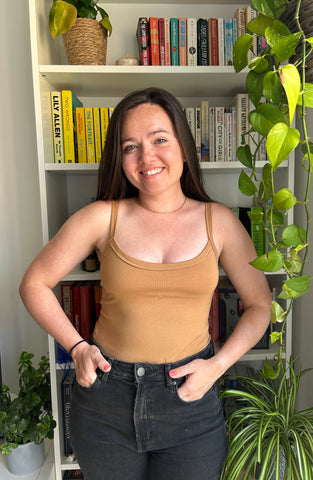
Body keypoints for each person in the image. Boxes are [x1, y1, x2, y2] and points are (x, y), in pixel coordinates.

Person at [19, 87, 272, 480]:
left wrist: (218, 366)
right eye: (130, 146)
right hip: (106, 400)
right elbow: (34, 283)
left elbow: (259, 304)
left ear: (184, 148)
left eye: (159, 140)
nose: (146, 157)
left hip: (191, 400)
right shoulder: (100, 217)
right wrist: (77, 347)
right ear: (119, 160)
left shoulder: (220, 221)